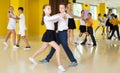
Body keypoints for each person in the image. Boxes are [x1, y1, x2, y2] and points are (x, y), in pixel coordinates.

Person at [29, 4, 65, 72]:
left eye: (50, 9)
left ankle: (32, 57)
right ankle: (60, 66)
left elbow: (54, 20)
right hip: (49, 34)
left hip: (51, 33)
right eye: (48, 8)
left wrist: (60, 15)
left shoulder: (50, 17)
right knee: (57, 48)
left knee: (43, 48)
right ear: (44, 10)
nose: (50, 10)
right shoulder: (46, 17)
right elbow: (51, 19)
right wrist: (59, 15)